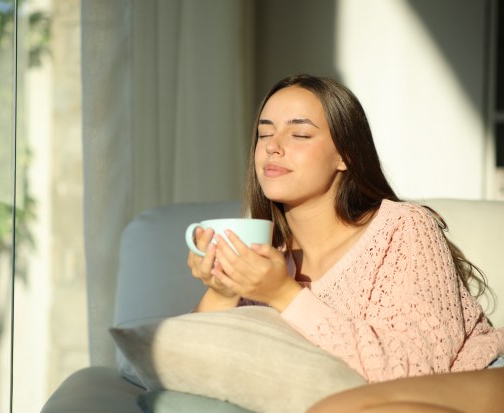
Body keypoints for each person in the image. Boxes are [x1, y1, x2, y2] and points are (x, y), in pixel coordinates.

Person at [186, 74, 504, 410]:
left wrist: (284, 295)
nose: (272, 146)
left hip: (473, 383)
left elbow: (414, 370)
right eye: (264, 134)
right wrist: (223, 291)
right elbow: (189, 371)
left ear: (345, 155)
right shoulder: (264, 262)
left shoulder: (403, 227)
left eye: (300, 134)